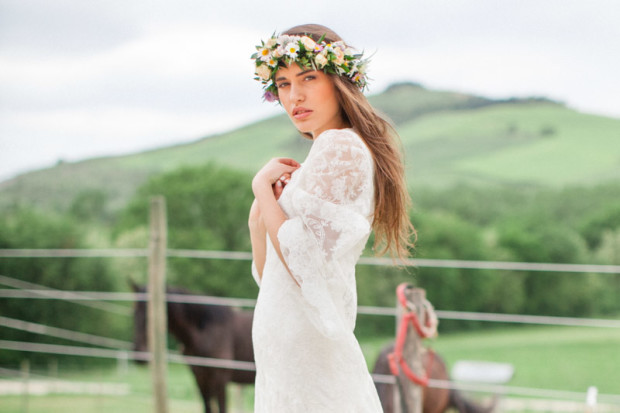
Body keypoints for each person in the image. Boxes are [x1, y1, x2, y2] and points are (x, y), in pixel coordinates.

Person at [248, 23, 415, 412]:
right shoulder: (316, 157)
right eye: (283, 84)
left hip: (309, 353)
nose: (295, 95)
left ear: (339, 82)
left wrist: (261, 189)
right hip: (284, 352)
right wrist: (261, 216)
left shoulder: (340, 145)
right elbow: (270, 273)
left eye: (308, 78)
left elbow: (302, 262)